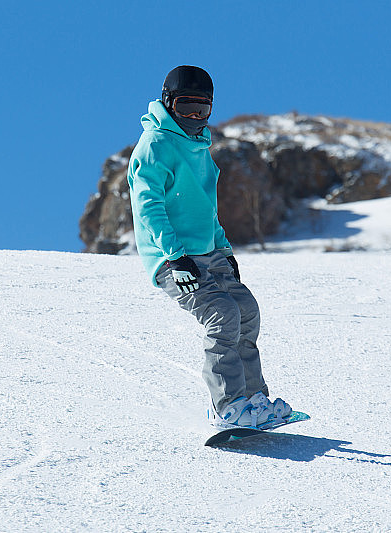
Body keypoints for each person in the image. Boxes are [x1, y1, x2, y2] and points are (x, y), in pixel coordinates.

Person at [126, 65, 292, 427]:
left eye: (202, 110)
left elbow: (205, 207)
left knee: (246, 311)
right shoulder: (155, 145)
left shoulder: (200, 146)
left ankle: (254, 399)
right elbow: (148, 206)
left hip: (209, 253)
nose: (194, 117)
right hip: (175, 259)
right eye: (186, 108)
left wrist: (226, 251)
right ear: (168, 103)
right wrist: (175, 255)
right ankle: (227, 406)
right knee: (222, 316)